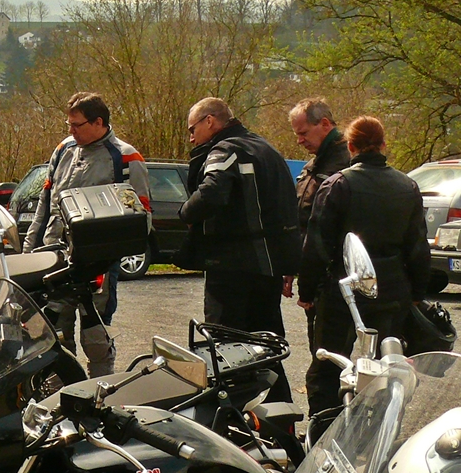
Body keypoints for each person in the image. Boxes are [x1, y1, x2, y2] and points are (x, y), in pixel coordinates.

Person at [297, 116, 429, 436]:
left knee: (329, 366)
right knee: (386, 368)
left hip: (345, 289)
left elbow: (316, 245)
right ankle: (378, 438)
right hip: (391, 288)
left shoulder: (337, 185)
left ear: (351, 146)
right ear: (384, 146)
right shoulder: (407, 186)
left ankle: (325, 435)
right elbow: (417, 246)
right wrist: (417, 292)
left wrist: (307, 291)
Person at [178, 97, 300, 401]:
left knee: (226, 349)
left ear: (210, 121)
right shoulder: (268, 149)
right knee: (266, 346)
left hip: (232, 268)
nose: (191, 138)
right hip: (268, 268)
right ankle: (281, 416)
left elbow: (212, 193)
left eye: (193, 129)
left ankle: (233, 423)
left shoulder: (225, 149)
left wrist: (185, 213)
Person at [23, 92, 150, 376]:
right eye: (68, 124)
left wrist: (111, 251)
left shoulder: (127, 157)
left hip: (98, 264)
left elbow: (142, 218)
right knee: (53, 334)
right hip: (53, 257)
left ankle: (99, 396)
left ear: (98, 122)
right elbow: (45, 204)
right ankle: (58, 394)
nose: (71, 131)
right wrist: (29, 252)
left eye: (77, 125)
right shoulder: (63, 149)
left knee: (95, 336)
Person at [283, 98, 350, 349]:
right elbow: (301, 221)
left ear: (323, 124)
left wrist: (310, 286)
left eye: (303, 133)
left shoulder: (347, 164)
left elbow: (322, 232)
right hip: (318, 276)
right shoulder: (313, 165)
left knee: (328, 361)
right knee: (321, 353)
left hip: (336, 279)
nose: (299, 140)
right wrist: (291, 265)